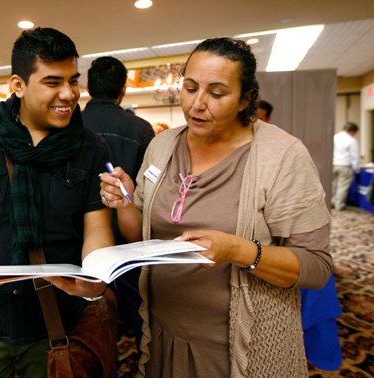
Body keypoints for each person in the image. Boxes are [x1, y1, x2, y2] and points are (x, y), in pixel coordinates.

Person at [100, 37, 333, 377]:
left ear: (246, 98)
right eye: (190, 88)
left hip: (241, 344)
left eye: (217, 94)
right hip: (161, 329)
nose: (197, 104)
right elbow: (141, 235)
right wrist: (124, 203)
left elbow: (316, 266)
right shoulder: (162, 145)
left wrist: (239, 250)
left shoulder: (281, 155)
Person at [0, 27, 114, 377]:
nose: (69, 94)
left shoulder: (90, 147)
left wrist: (96, 274)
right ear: (18, 85)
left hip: (54, 324)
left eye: (73, 81)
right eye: (53, 82)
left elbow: (97, 227)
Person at [82, 55, 154, 347]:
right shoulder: (140, 128)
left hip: (80, 233)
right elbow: (149, 186)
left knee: (86, 310)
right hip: (128, 232)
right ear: (123, 89)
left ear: (87, 87)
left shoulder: (67, 125)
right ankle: (145, 359)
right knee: (137, 306)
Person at [332, 122, 360, 210]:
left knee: (333, 185)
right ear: (352, 131)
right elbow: (354, 157)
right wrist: (356, 169)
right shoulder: (351, 140)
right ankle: (339, 205)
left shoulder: (335, 137)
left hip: (333, 164)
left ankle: (331, 202)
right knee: (342, 186)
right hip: (345, 165)